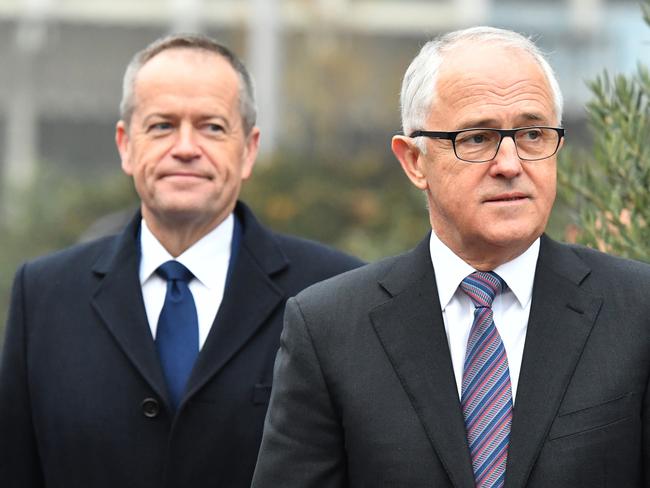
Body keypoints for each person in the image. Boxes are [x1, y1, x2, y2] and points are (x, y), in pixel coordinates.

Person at [251, 26, 650, 488]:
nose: (510, 163)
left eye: (533, 134)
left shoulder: (636, 309)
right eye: (477, 138)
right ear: (414, 161)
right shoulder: (329, 328)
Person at [0, 34, 362, 488]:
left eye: (211, 126)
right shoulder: (44, 295)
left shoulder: (334, 291)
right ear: (125, 145)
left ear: (248, 149)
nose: (186, 147)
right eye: (161, 126)